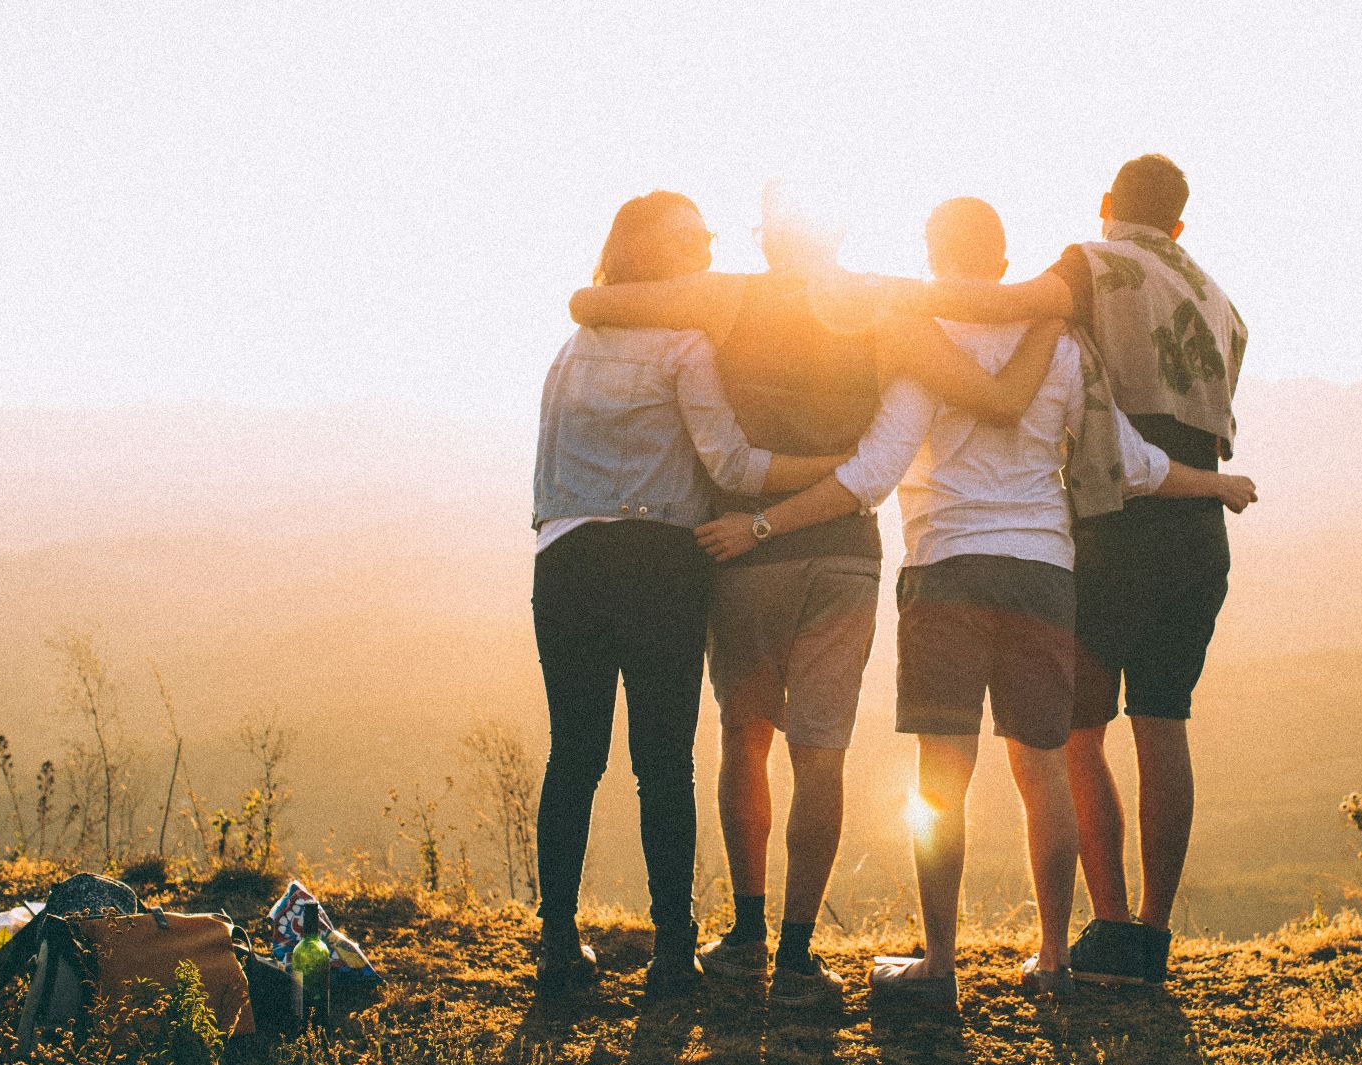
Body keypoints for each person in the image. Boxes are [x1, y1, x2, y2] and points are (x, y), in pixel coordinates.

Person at [694, 197, 1255, 1007]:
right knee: (1043, 771)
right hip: (1044, 576)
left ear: (932, 254)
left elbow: (873, 474)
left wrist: (763, 522)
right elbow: (1132, 463)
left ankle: (940, 966)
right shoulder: (1062, 347)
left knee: (941, 779)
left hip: (946, 570)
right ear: (1002, 262)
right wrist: (1218, 484)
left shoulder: (923, 343)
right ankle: (1055, 960)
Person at [568, 184, 1055, 1008]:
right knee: (820, 753)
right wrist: (1051, 315)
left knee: (744, 736)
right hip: (844, 556)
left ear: (767, 240)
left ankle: (746, 932)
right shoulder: (886, 306)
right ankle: (797, 956)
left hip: (743, 550)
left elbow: (593, 302)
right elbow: (988, 390)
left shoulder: (726, 299)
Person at [897, 156, 1252, 986]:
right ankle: (1152, 940)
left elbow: (1005, 305)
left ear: (1105, 207)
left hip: (1112, 522)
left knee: (1076, 736)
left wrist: (883, 298)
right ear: (1180, 223)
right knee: (1164, 723)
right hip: (1195, 525)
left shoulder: (1091, 265)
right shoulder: (1220, 300)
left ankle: (1109, 928)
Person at [530, 191, 851, 1000]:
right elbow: (734, 468)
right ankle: (674, 951)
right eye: (695, 240)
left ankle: (558, 947)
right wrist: (835, 470)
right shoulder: (684, 346)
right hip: (660, 565)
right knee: (662, 764)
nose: (708, 250)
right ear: (660, 255)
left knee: (574, 756)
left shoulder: (571, 350)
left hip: (565, 560)